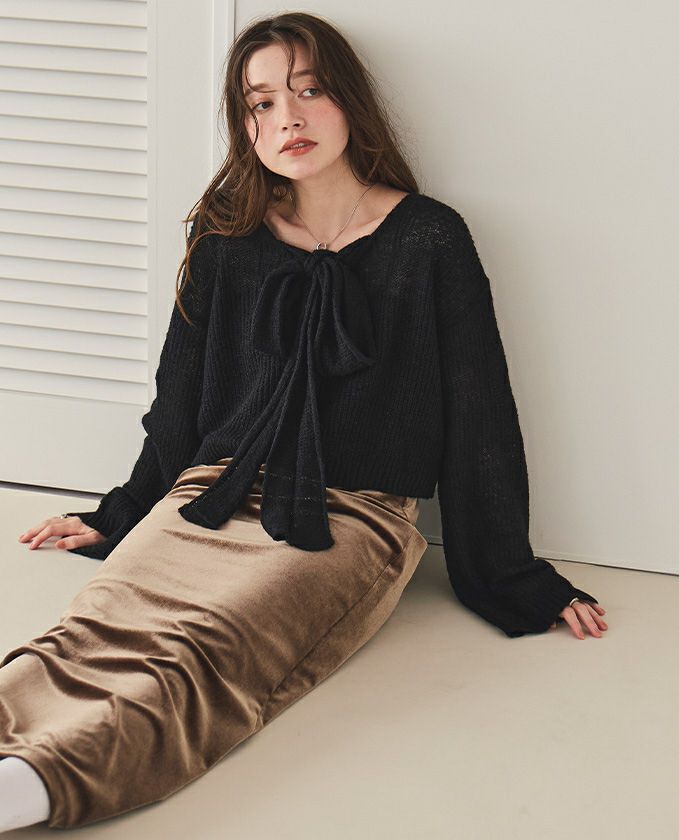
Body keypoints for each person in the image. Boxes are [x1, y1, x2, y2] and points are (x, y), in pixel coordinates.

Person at [1, 11, 607, 833]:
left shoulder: (429, 238)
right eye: (260, 103)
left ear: (350, 100)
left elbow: (480, 415)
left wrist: (511, 572)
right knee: (90, 629)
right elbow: (178, 399)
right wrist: (124, 511)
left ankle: (33, 788)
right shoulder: (226, 236)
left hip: (351, 515)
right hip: (210, 494)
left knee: (204, 653)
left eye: (309, 91)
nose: (286, 118)